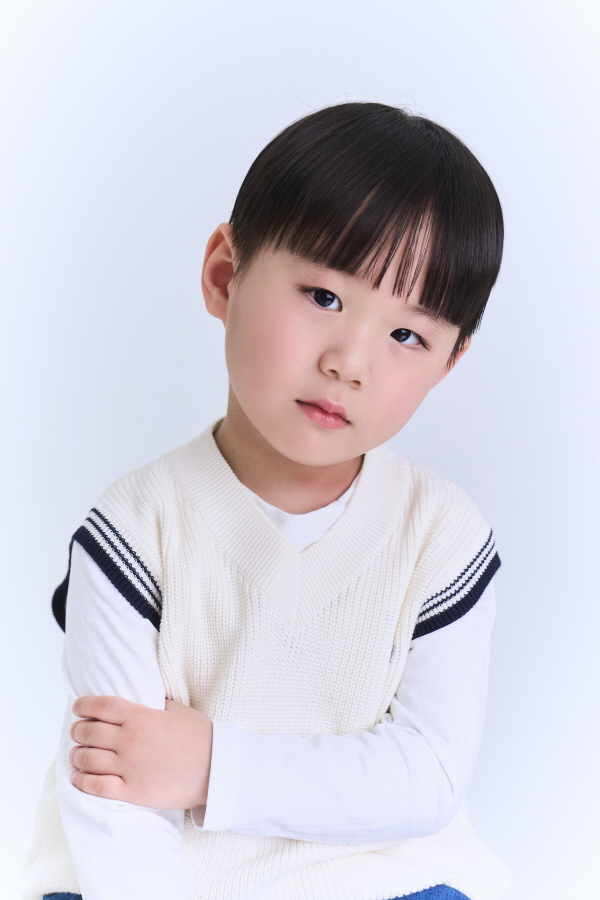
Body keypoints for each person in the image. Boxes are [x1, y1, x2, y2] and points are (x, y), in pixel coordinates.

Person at [23, 102, 510, 900]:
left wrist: (211, 764)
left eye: (407, 336)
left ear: (449, 362)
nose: (349, 362)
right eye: (323, 296)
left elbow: (426, 774)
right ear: (225, 275)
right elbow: (112, 793)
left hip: (376, 877)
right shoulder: (135, 529)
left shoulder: (441, 535)